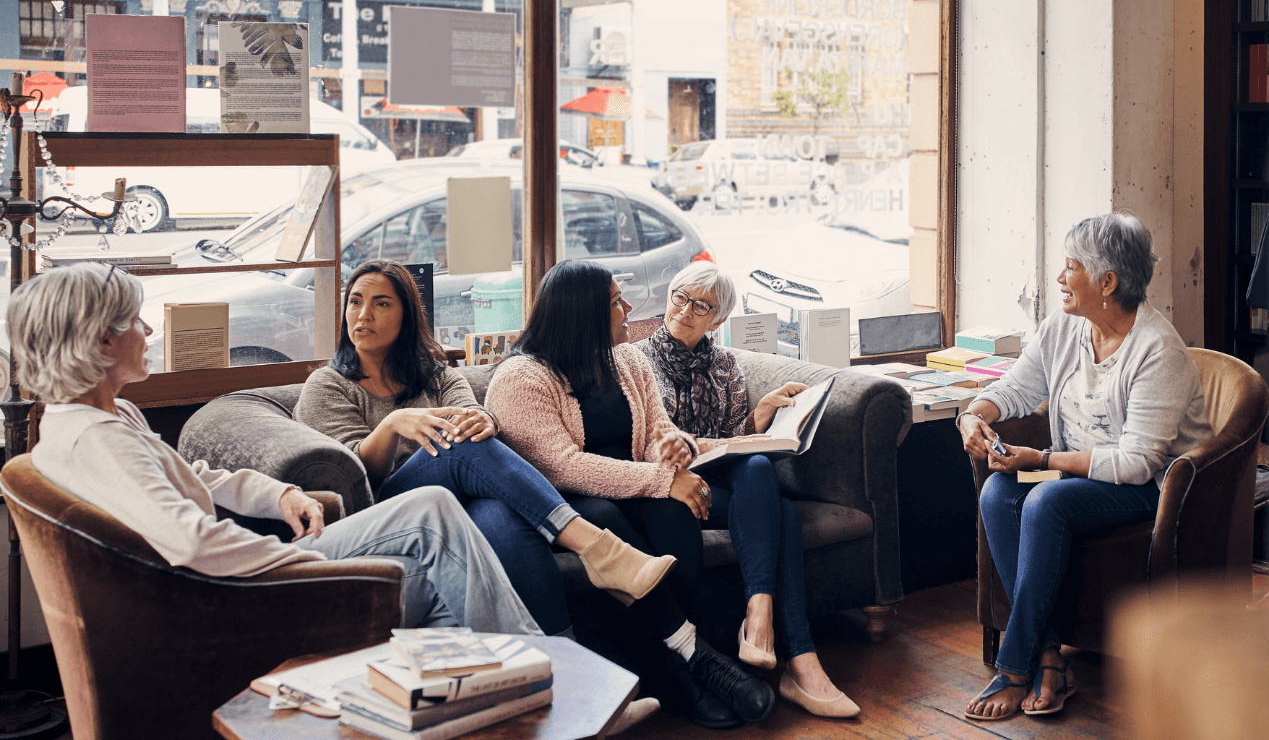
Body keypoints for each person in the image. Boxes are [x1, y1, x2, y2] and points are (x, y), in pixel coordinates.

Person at [13, 263, 538, 636]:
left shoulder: (102, 416)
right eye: (136, 321)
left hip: (232, 582)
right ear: (103, 341)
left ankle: (471, 691)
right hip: (234, 597)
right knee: (434, 517)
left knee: (451, 566)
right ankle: (548, 672)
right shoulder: (97, 440)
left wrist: (282, 494)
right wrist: (295, 563)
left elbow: (195, 475)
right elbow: (193, 542)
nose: (149, 330)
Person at [293, 260, 676, 639]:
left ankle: (565, 666)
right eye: (355, 302)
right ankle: (598, 549)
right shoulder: (327, 385)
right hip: (388, 511)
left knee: (501, 518)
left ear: (407, 314)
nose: (363, 314)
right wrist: (393, 425)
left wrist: (486, 421)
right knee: (457, 443)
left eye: (381, 303)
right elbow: (353, 481)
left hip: (454, 505)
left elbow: (476, 417)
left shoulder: (437, 374)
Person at [485, 259, 775, 730]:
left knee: (676, 512)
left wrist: (671, 448)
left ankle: (689, 656)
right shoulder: (521, 377)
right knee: (608, 516)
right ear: (584, 314)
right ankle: (682, 673)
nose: (628, 308)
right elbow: (562, 467)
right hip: (568, 503)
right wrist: (661, 479)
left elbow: (657, 427)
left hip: (635, 484)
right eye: (616, 301)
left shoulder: (626, 359)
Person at [957, 212, 1214, 721]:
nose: (1059, 278)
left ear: (1107, 282)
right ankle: (1051, 658)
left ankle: (1014, 668)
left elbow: (1138, 462)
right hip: (1072, 474)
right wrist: (973, 415)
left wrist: (1043, 459)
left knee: (1048, 498)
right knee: (998, 493)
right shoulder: (1062, 328)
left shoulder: (1157, 351)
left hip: (1148, 488)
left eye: (1070, 267)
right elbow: (1015, 388)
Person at [635, 261, 858, 719]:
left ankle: (761, 619)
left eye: (702, 306)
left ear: (717, 320)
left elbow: (732, 436)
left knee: (756, 464)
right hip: (673, 486)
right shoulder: (636, 362)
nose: (685, 310)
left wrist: (760, 419)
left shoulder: (726, 365)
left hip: (726, 484)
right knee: (784, 515)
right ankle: (798, 659)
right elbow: (648, 444)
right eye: (679, 297)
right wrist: (735, 442)